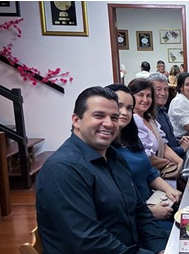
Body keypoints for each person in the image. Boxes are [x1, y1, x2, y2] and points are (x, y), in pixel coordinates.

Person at [36, 86, 167, 254]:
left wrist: (161, 248)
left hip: (128, 245)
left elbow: (139, 210)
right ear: (76, 120)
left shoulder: (114, 157)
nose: (109, 123)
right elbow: (90, 241)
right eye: (99, 115)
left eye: (114, 117)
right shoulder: (62, 169)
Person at [107, 84, 181, 234]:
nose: (124, 113)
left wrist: (168, 189)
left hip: (152, 204)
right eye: (119, 106)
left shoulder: (130, 136)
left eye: (129, 108)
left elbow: (148, 172)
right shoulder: (105, 148)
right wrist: (149, 211)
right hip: (138, 220)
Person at [128, 78, 184, 179]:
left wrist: (180, 162)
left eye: (149, 96)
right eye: (140, 95)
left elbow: (164, 145)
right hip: (148, 179)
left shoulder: (150, 119)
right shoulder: (134, 121)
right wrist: (170, 163)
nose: (145, 100)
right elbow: (148, 159)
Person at [148, 72, 189, 159]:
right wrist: (181, 148)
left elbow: (168, 140)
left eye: (165, 89)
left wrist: (180, 141)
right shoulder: (150, 116)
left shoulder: (162, 111)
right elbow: (160, 151)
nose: (163, 93)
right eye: (158, 89)